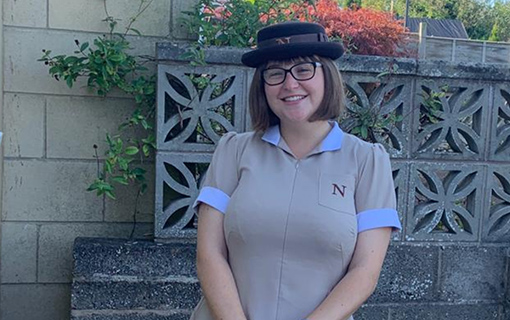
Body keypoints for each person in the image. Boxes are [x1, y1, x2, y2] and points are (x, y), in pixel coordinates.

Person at [190, 21, 402, 320]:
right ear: (262, 86)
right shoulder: (232, 152)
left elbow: (364, 272)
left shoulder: (367, 161)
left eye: (304, 69)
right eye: (275, 73)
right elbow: (209, 255)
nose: (290, 85)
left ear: (327, 74)